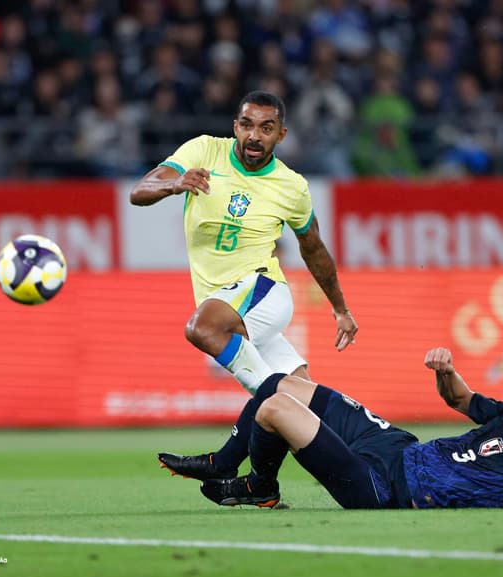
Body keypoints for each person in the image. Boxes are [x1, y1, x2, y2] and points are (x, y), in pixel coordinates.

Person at [132, 91, 357, 477]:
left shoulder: (291, 186)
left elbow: (314, 248)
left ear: (281, 135)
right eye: (247, 125)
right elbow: (139, 192)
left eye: (266, 128)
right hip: (229, 304)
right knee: (301, 397)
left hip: (263, 291)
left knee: (202, 328)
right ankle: (342, 467)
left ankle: (226, 460)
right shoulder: (204, 151)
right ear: (235, 126)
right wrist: (175, 184)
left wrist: (341, 309)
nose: (255, 135)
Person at [160, 347, 503, 510]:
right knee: (281, 382)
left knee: (276, 408)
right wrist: (446, 370)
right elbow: (459, 399)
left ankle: (258, 485)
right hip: (396, 447)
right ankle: (234, 468)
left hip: (381, 489)